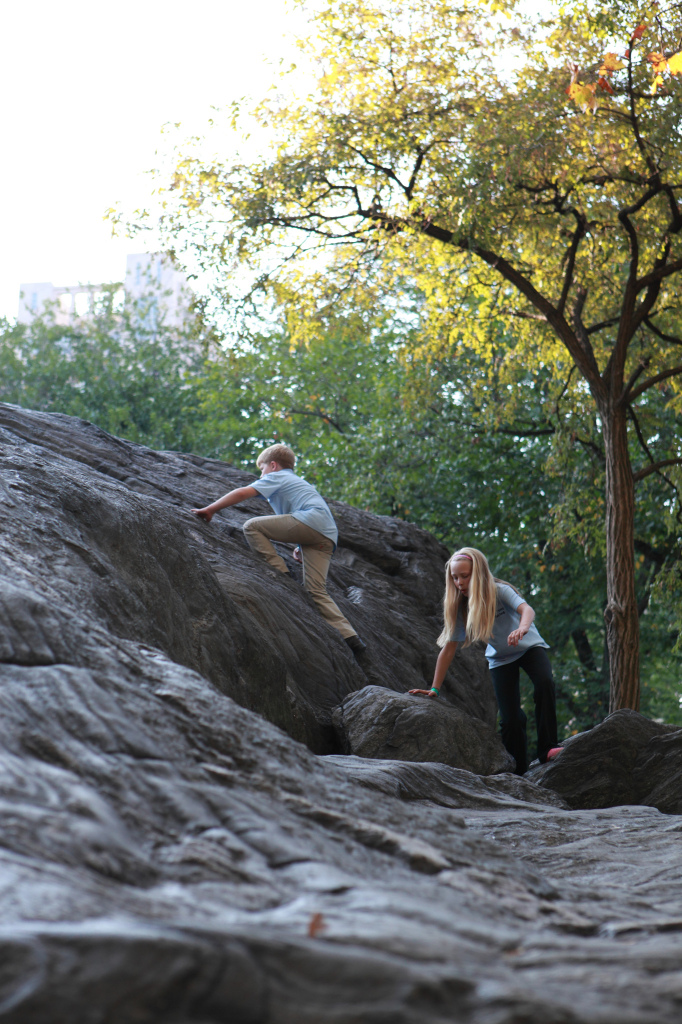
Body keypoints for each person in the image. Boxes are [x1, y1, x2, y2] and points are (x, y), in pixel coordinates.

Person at [191, 443, 365, 655]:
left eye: (262, 469)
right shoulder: (301, 483)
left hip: (311, 522)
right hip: (326, 534)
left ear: (273, 465)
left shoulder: (278, 476)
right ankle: (350, 636)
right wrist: (302, 545)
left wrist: (210, 509)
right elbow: (309, 513)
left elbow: (243, 492)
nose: (261, 474)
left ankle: (279, 572)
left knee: (252, 526)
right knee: (316, 590)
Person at [409, 547, 561, 774]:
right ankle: (518, 772)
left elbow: (526, 609)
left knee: (544, 683)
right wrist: (434, 689)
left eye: (465, 576)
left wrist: (522, 628)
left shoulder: (499, 591)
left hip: (528, 647)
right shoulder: (461, 607)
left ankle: (547, 747)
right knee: (510, 720)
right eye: (455, 577)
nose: (459, 582)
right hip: (500, 658)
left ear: (478, 573)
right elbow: (448, 650)